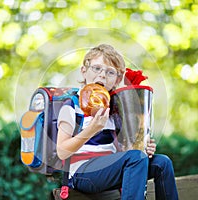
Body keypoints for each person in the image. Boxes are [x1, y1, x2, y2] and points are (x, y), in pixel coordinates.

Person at [56, 44, 178, 200]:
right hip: (82, 173)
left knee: (162, 163)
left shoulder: (115, 110)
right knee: (135, 158)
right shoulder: (71, 106)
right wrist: (91, 130)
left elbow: (123, 152)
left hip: (109, 170)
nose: (102, 75)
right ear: (84, 71)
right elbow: (62, 151)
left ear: (117, 80)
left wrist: (142, 148)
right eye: (96, 68)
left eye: (110, 72)